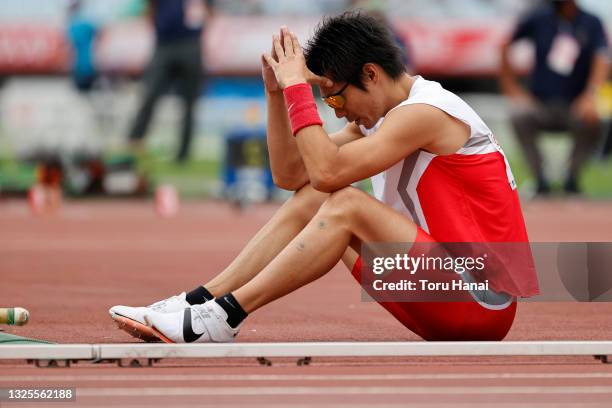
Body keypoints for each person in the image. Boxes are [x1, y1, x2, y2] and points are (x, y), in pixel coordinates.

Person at [110, 11, 538, 343]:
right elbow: (293, 175)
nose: (333, 107)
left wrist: (299, 88)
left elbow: (329, 172)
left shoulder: (425, 114)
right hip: (439, 294)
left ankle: (225, 316)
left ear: (370, 74)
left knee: (345, 202)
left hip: (481, 303)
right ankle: (200, 301)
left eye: (334, 93)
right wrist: (278, 94)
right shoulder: (382, 119)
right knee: (317, 198)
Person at [499, 0, 610, 195]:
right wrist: (510, 86)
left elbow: (602, 58)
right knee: (519, 116)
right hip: (541, 104)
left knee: (594, 120)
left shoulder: (591, 22)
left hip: (574, 105)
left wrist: (589, 96)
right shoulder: (539, 18)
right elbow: (505, 44)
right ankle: (540, 179)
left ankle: (571, 179)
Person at [127, 0, 214, 163]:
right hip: (165, 44)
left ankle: (184, 152)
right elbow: (150, 9)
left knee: (189, 101)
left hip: (190, 44)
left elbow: (210, 10)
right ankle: (134, 142)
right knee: (150, 94)